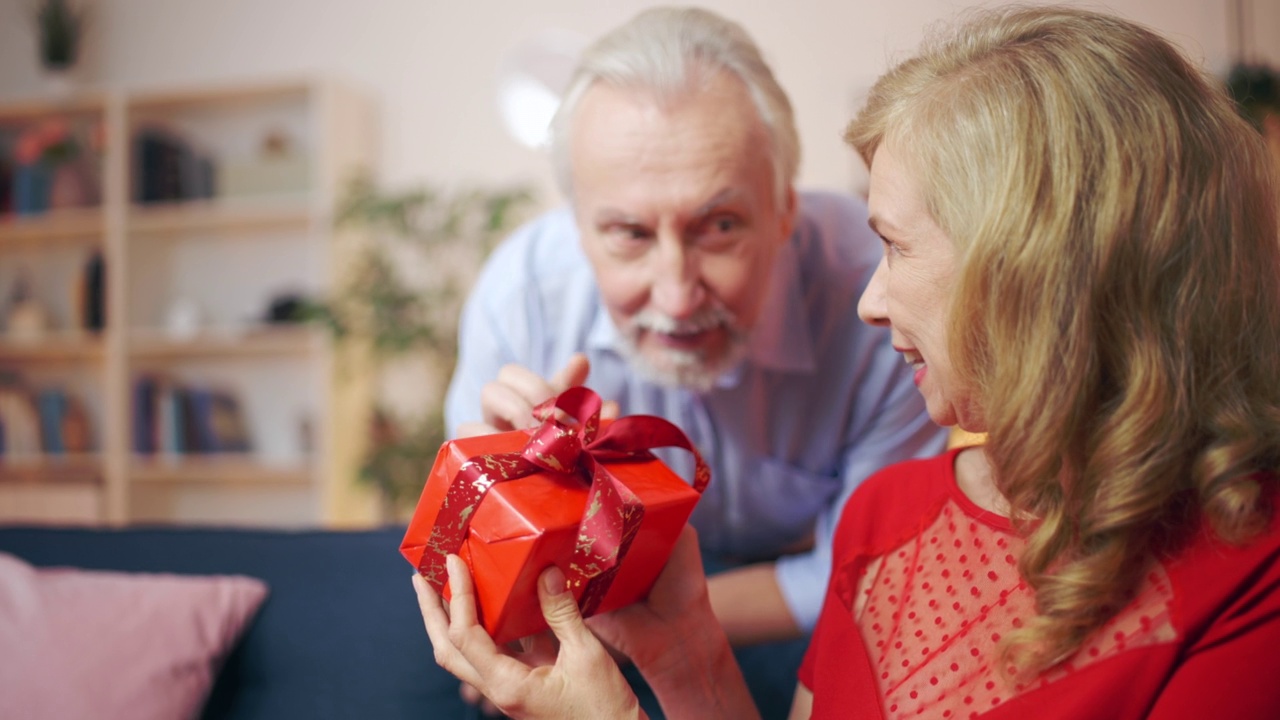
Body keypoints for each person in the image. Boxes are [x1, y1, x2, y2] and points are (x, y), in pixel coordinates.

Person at [416, 4, 1280, 719]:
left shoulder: (1248, 580)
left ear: (1043, 276)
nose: (677, 293)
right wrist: (681, 655)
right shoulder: (886, 517)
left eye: (897, 246)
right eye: (629, 235)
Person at [443, 6, 946, 716]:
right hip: (590, 613)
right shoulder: (522, 294)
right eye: (628, 233)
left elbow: (860, 571)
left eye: (720, 226)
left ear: (783, 213)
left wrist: (651, 623)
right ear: (576, 227)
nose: (678, 298)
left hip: (782, 616)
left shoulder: (880, 297)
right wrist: (498, 496)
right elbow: (470, 570)